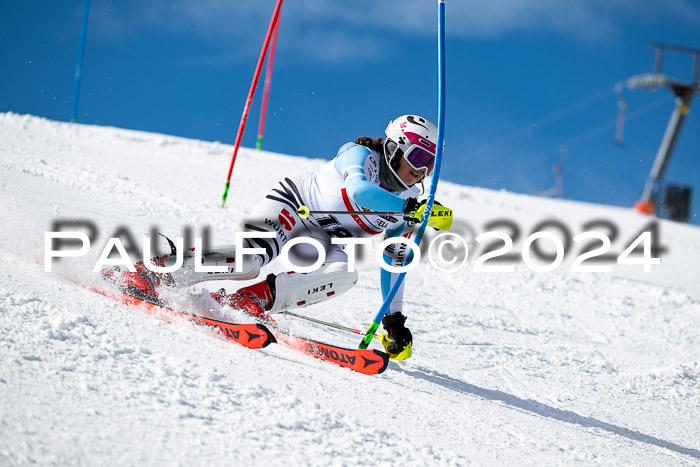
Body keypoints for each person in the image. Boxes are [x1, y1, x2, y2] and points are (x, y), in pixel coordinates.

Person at [109, 114, 452, 357]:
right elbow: (358, 190)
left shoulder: (407, 205)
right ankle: (154, 271)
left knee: (344, 274)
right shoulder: (361, 156)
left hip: (321, 237)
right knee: (249, 261)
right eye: (419, 157)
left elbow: (394, 261)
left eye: (431, 163)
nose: (422, 170)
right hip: (293, 206)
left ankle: (249, 301)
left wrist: (394, 320)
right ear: (394, 148)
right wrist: (411, 208)